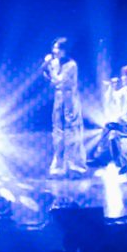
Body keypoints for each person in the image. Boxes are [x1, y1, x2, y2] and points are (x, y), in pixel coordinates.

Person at [42, 38, 84, 177]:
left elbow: (58, 79)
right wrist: (46, 66)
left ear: (65, 50)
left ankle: (74, 167)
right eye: (54, 48)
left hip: (70, 97)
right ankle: (58, 167)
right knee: (58, 131)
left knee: (71, 131)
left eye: (58, 48)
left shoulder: (71, 65)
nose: (55, 51)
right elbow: (48, 77)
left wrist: (50, 68)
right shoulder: (54, 62)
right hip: (59, 97)